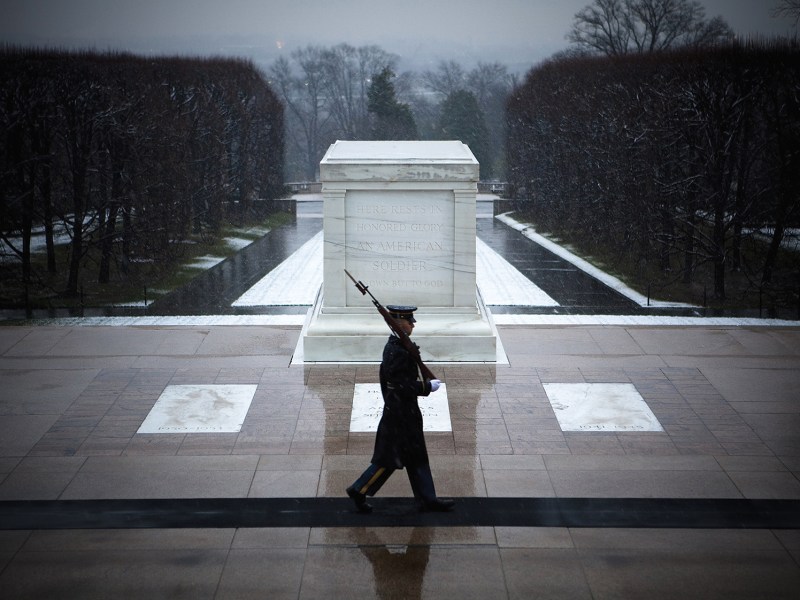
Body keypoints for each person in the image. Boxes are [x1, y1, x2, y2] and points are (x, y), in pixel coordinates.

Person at [346, 305, 455, 513]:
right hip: (399, 415)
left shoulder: (400, 346)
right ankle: (359, 489)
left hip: (406, 412)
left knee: (417, 457)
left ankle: (427, 499)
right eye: (409, 321)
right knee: (388, 460)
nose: (413, 324)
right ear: (398, 324)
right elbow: (399, 385)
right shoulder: (396, 350)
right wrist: (425, 387)